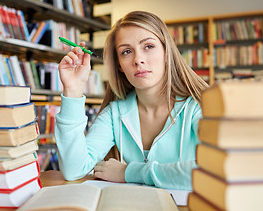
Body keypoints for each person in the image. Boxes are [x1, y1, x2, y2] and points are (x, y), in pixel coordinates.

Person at [55, 10, 209, 190]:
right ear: (119, 65)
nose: (138, 60)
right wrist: (73, 89)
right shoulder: (114, 113)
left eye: (148, 46)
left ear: (167, 52)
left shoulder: (199, 108)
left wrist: (128, 172)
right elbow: (73, 169)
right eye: (126, 52)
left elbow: (211, 171)